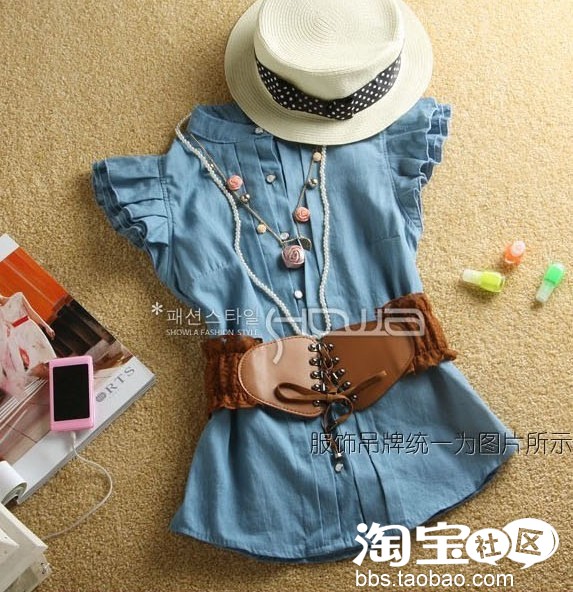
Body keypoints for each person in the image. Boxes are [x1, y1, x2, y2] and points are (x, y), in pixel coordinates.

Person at [0, 292, 56, 397]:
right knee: (36, 370)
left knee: (47, 361)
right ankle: (59, 380)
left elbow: (32, 312)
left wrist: (46, 326)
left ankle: (62, 381)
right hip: (18, 338)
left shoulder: (18, 296)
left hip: (31, 331)